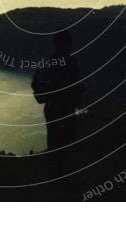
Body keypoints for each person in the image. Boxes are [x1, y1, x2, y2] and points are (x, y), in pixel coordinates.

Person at [32, 31, 84, 171]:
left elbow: (37, 83)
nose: (68, 46)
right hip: (59, 108)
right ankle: (58, 178)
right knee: (59, 143)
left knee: (60, 143)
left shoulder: (56, 62)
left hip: (60, 108)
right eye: (66, 43)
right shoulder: (68, 61)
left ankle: (59, 176)